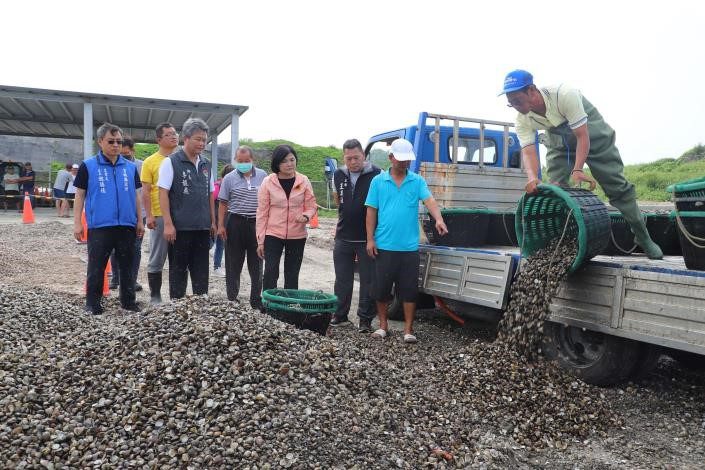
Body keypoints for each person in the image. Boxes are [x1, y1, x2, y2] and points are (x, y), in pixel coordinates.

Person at [499, 69, 662, 259]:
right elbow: (528, 150)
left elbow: (582, 136)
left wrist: (578, 169)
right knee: (555, 191)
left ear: (532, 90)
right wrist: (533, 178)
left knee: (617, 189)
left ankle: (643, 236)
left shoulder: (565, 95)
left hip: (593, 136)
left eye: (517, 100)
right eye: (511, 103)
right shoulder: (522, 119)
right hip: (560, 145)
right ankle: (560, 243)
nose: (515, 106)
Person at [365, 138, 448, 343]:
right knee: (382, 289)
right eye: (400, 159)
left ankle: (408, 330)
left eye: (407, 160)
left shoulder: (417, 181)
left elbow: (429, 200)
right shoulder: (378, 181)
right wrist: (370, 240)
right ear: (390, 157)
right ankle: (383, 326)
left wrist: (438, 219)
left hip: (409, 247)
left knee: (410, 290)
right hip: (384, 245)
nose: (404, 163)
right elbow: (371, 212)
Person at [72, 123, 144, 314]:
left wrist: (139, 220)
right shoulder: (88, 166)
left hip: (127, 225)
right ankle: (93, 304)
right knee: (96, 266)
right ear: (100, 141)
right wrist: (78, 223)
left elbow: (137, 195)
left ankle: (128, 302)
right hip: (100, 226)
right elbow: (79, 195)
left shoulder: (130, 167)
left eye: (118, 142)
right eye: (111, 141)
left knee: (128, 267)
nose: (115, 145)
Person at [158, 118, 216, 299]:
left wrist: (213, 222)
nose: (201, 143)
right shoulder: (171, 162)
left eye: (204, 140)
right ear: (186, 138)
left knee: (201, 271)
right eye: (198, 139)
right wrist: (168, 224)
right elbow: (163, 193)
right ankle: (177, 306)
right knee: (178, 270)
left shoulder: (206, 164)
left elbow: (210, 194)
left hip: (202, 227)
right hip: (180, 228)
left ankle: (201, 306)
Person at [328, 139, 381, 333]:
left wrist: (372, 237)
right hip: (343, 236)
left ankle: (365, 320)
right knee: (342, 279)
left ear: (364, 156)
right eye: (348, 158)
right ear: (344, 157)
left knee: (368, 280)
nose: (353, 162)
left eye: (356, 157)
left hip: (367, 238)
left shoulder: (377, 174)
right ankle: (339, 315)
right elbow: (338, 201)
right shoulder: (338, 174)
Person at [256, 144, 316, 292]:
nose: (289, 164)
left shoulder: (304, 180)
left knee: (292, 274)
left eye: (292, 159)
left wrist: (306, 215)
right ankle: (269, 305)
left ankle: (289, 308)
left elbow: (311, 205)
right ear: (277, 163)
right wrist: (260, 241)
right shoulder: (268, 182)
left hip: (297, 235)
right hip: (273, 234)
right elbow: (262, 212)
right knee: (270, 271)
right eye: (284, 161)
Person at [217, 146, 267, 308]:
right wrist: (220, 225)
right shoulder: (229, 178)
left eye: (247, 161)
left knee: (257, 264)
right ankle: (232, 298)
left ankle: (255, 300)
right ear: (236, 161)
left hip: (256, 224)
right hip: (235, 223)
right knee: (233, 263)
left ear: (253, 160)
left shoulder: (263, 176)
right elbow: (223, 203)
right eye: (240, 161)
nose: (244, 164)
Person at [141, 122, 179, 304]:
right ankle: (155, 295)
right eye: (169, 134)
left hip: (181, 215)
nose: (174, 137)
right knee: (157, 255)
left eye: (175, 133)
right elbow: (146, 191)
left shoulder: (182, 158)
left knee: (178, 257)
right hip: (159, 214)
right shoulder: (150, 162)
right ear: (159, 140)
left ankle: (176, 295)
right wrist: (148, 215)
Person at [109, 137, 145, 291]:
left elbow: (143, 191)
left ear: (132, 151)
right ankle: (116, 278)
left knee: (135, 249)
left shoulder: (141, 166)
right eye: (121, 155)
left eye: (127, 155)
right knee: (115, 248)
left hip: (138, 213)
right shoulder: (111, 165)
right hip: (116, 213)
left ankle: (132, 280)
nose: (124, 158)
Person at [212, 164, 234, 277]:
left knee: (221, 244)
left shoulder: (231, 186)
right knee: (209, 244)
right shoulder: (217, 186)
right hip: (214, 221)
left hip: (224, 222)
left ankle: (217, 266)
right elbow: (210, 202)